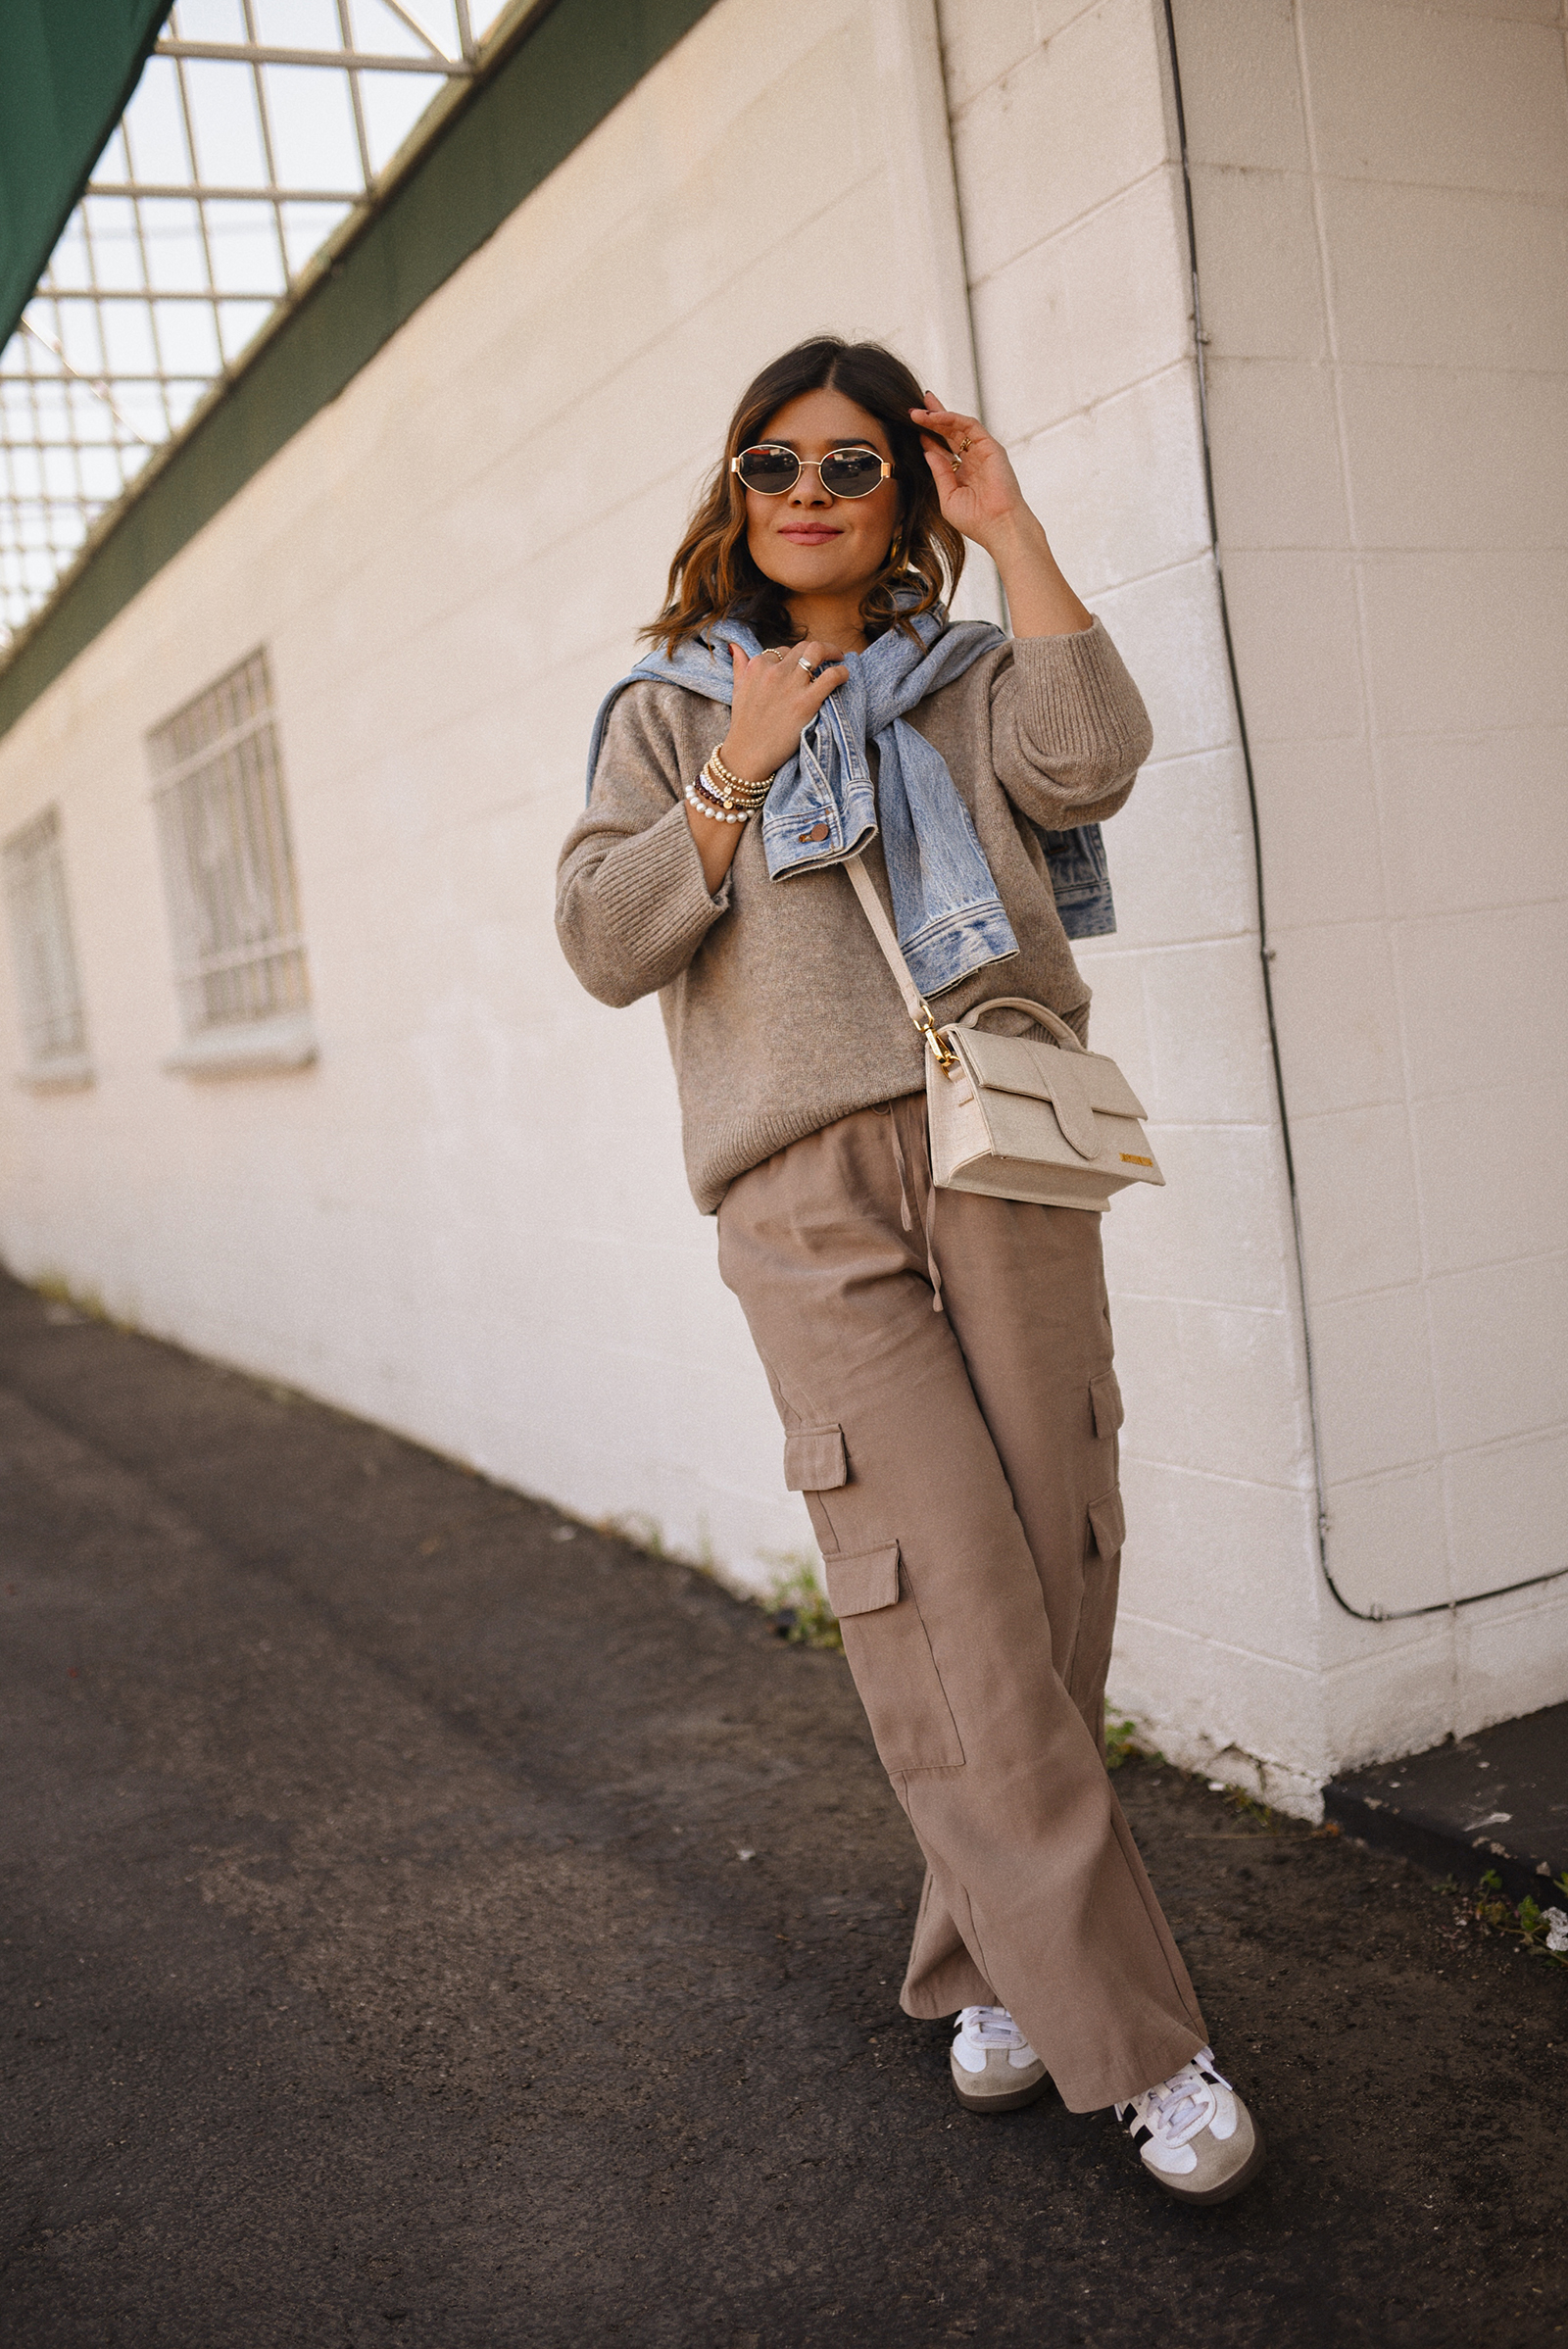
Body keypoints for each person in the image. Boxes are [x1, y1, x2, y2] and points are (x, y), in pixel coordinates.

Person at [556, 337, 1264, 2205]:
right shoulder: (661, 708)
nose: (808, 491)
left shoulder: (963, 678)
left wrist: (1010, 524)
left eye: (850, 463)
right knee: (938, 1588)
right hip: (802, 1189)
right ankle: (1144, 2049)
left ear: (900, 488)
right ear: (736, 488)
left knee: (1048, 1560)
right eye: (773, 461)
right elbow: (605, 938)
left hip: (1003, 1143)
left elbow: (1091, 750)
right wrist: (733, 771)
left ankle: (990, 1959)